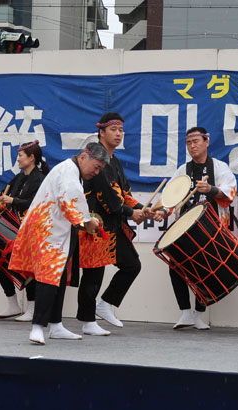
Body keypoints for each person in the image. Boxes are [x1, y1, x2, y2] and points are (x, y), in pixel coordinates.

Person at [8, 143, 107, 345]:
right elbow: (71, 199)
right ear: (83, 158)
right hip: (46, 230)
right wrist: (88, 222)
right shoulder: (69, 171)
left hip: (55, 230)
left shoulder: (70, 170)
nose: (96, 172)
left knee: (59, 277)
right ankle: (37, 327)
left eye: (99, 169)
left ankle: (56, 325)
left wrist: (86, 221)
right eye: (96, 167)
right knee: (48, 277)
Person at [76, 112, 153, 336]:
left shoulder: (115, 161)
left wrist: (141, 209)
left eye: (121, 130)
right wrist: (132, 212)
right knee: (93, 274)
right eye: (113, 129)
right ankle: (88, 321)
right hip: (95, 225)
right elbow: (107, 197)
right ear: (101, 132)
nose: (118, 134)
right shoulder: (95, 157)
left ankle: (106, 303)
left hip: (113, 224)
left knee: (132, 265)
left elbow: (124, 194)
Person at [153, 127, 237, 330]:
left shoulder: (219, 167)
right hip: (185, 228)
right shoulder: (183, 171)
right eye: (189, 143)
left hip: (212, 227)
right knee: (176, 268)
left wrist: (211, 189)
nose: (192, 146)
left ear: (207, 142)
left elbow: (230, 190)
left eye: (196, 141)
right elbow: (171, 196)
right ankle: (185, 314)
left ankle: (199, 315)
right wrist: (162, 212)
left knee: (204, 270)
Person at [0, 140, 48, 321]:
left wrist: (13, 202)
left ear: (32, 157)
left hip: (30, 230)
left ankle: (32, 308)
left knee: (28, 269)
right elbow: (4, 197)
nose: (18, 159)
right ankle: (12, 304)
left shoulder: (41, 180)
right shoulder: (19, 178)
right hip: (12, 230)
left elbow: (37, 204)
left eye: (20, 155)